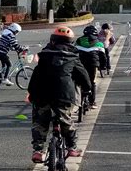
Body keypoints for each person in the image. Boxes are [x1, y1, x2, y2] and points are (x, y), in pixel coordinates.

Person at [28, 27, 91, 163]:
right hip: (64, 95)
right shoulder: (73, 57)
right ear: (71, 42)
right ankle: (71, 148)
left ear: (52, 40)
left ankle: (38, 151)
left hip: (42, 94)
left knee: (40, 122)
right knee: (66, 120)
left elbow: (36, 76)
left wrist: (32, 94)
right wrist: (87, 89)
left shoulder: (44, 56)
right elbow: (84, 76)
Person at [75, 25, 106, 108]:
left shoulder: (79, 40)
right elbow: (103, 56)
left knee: (79, 81)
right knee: (92, 82)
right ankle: (92, 102)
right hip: (93, 64)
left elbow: (73, 52)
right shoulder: (99, 42)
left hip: (80, 64)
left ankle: (79, 101)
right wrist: (103, 67)